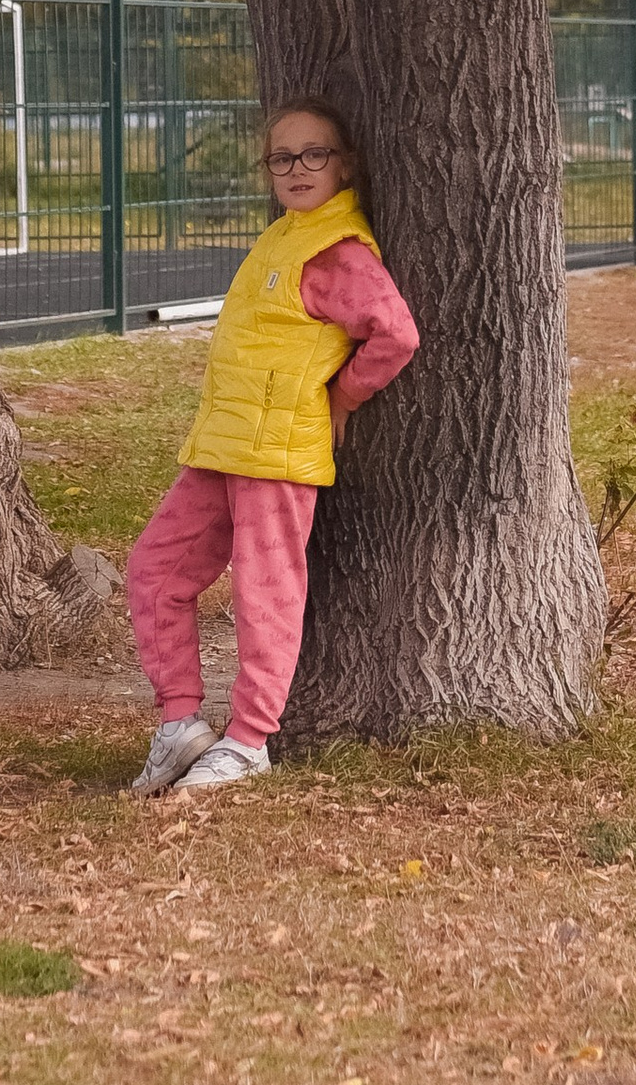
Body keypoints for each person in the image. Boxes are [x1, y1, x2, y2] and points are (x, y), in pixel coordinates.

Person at [123, 101, 418, 796]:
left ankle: (250, 740)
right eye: (281, 157)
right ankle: (180, 723)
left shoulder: (337, 249)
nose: (296, 168)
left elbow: (396, 334)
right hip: (223, 445)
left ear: (343, 164)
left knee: (266, 595)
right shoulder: (284, 236)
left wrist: (343, 396)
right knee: (155, 569)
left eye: (313, 154)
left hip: (280, 451)